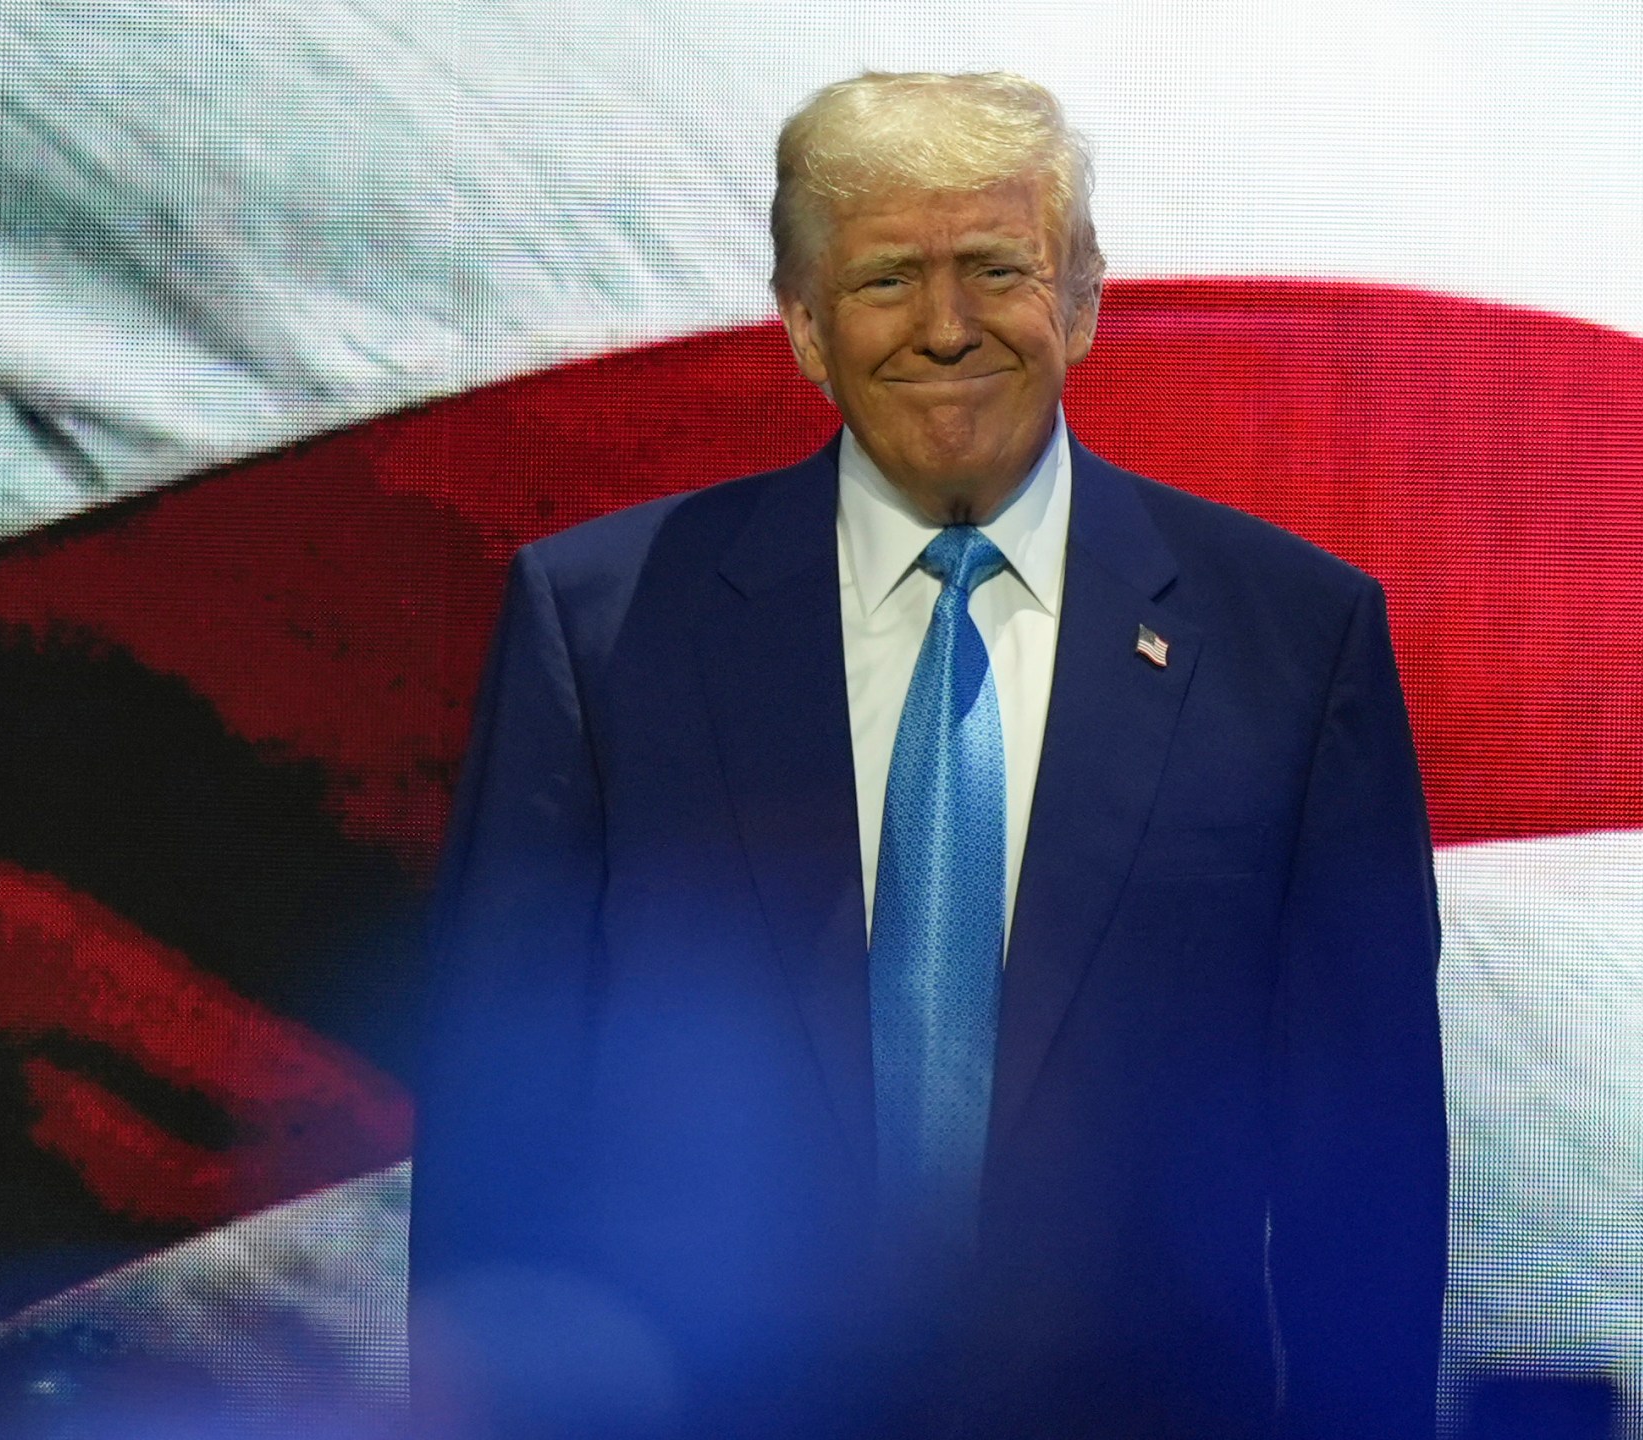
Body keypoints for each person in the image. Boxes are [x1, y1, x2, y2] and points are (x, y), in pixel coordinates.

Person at [411, 71, 1445, 1439]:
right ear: (801, 326)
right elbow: (502, 1135)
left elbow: (1361, 1171)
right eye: (890, 277)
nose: (947, 327)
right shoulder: (599, 630)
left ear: (1081, 302)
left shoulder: (1294, 639)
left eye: (997, 269)